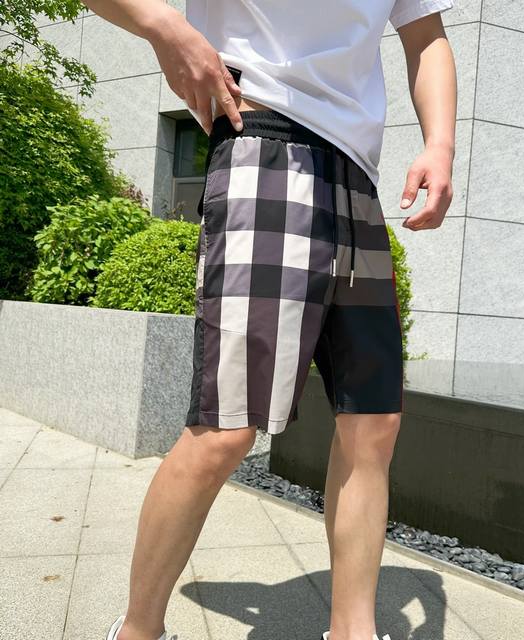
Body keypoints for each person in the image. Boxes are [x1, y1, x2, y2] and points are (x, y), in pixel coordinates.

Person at [83, 1, 457, 639]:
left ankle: (353, 631)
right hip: (265, 141)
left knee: (373, 423)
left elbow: (426, 38)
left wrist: (440, 145)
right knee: (227, 425)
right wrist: (164, 28)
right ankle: (137, 631)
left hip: (357, 177)